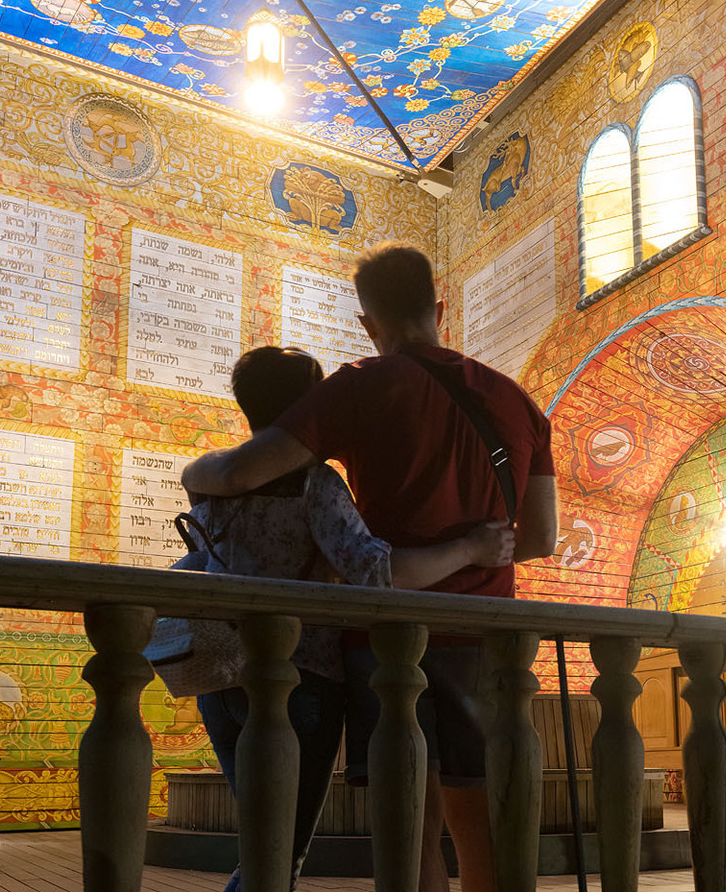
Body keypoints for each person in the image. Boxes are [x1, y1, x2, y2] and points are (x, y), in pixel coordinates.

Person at [183, 246, 559, 892]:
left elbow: (245, 470)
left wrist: (194, 472)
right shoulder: (518, 403)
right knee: (484, 830)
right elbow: (542, 538)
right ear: (439, 309)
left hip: (389, 650)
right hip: (483, 641)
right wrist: (476, 550)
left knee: (411, 834)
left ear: (367, 324)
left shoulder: (358, 384)